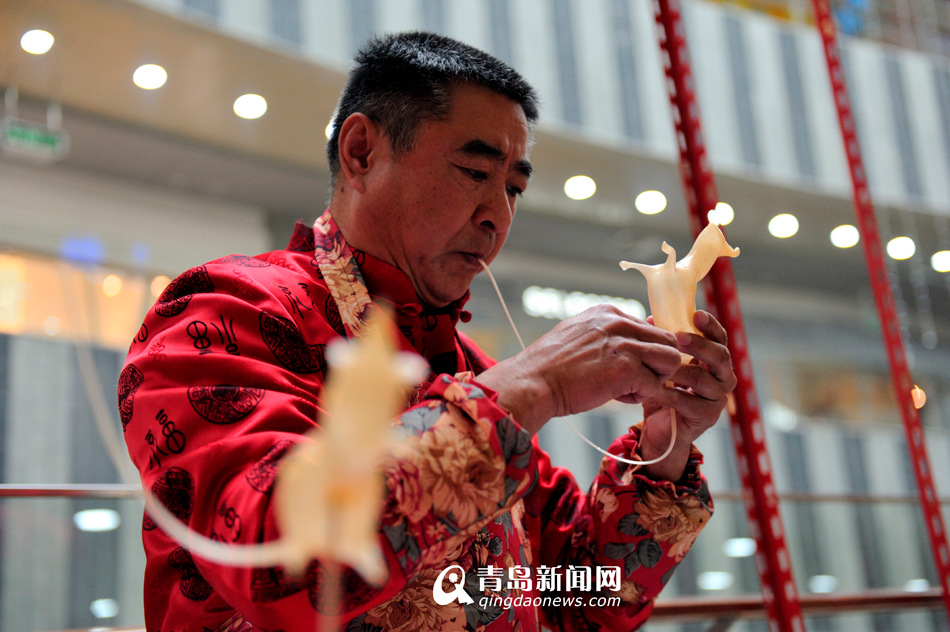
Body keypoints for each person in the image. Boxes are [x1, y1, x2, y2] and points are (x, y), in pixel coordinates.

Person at [119, 31, 736, 632]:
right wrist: (536, 386)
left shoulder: (469, 369)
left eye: (514, 188)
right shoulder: (223, 311)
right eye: (474, 171)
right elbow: (283, 563)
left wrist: (664, 445)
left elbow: (583, 596)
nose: (498, 216)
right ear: (361, 152)